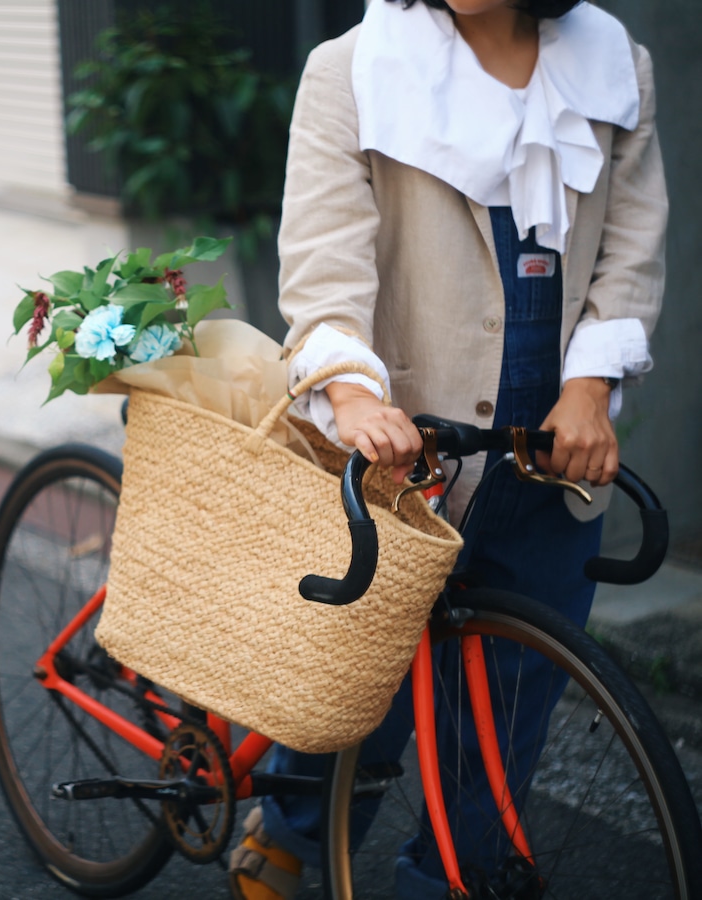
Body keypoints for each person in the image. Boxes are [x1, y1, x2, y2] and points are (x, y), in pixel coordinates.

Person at [227, 0, 667, 898]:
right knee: (361, 680)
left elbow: (630, 246)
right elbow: (324, 262)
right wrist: (352, 393)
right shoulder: (353, 67)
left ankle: (447, 882)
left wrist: (589, 389)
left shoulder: (615, 64)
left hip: (548, 455)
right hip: (402, 448)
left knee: (508, 711)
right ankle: (293, 821)